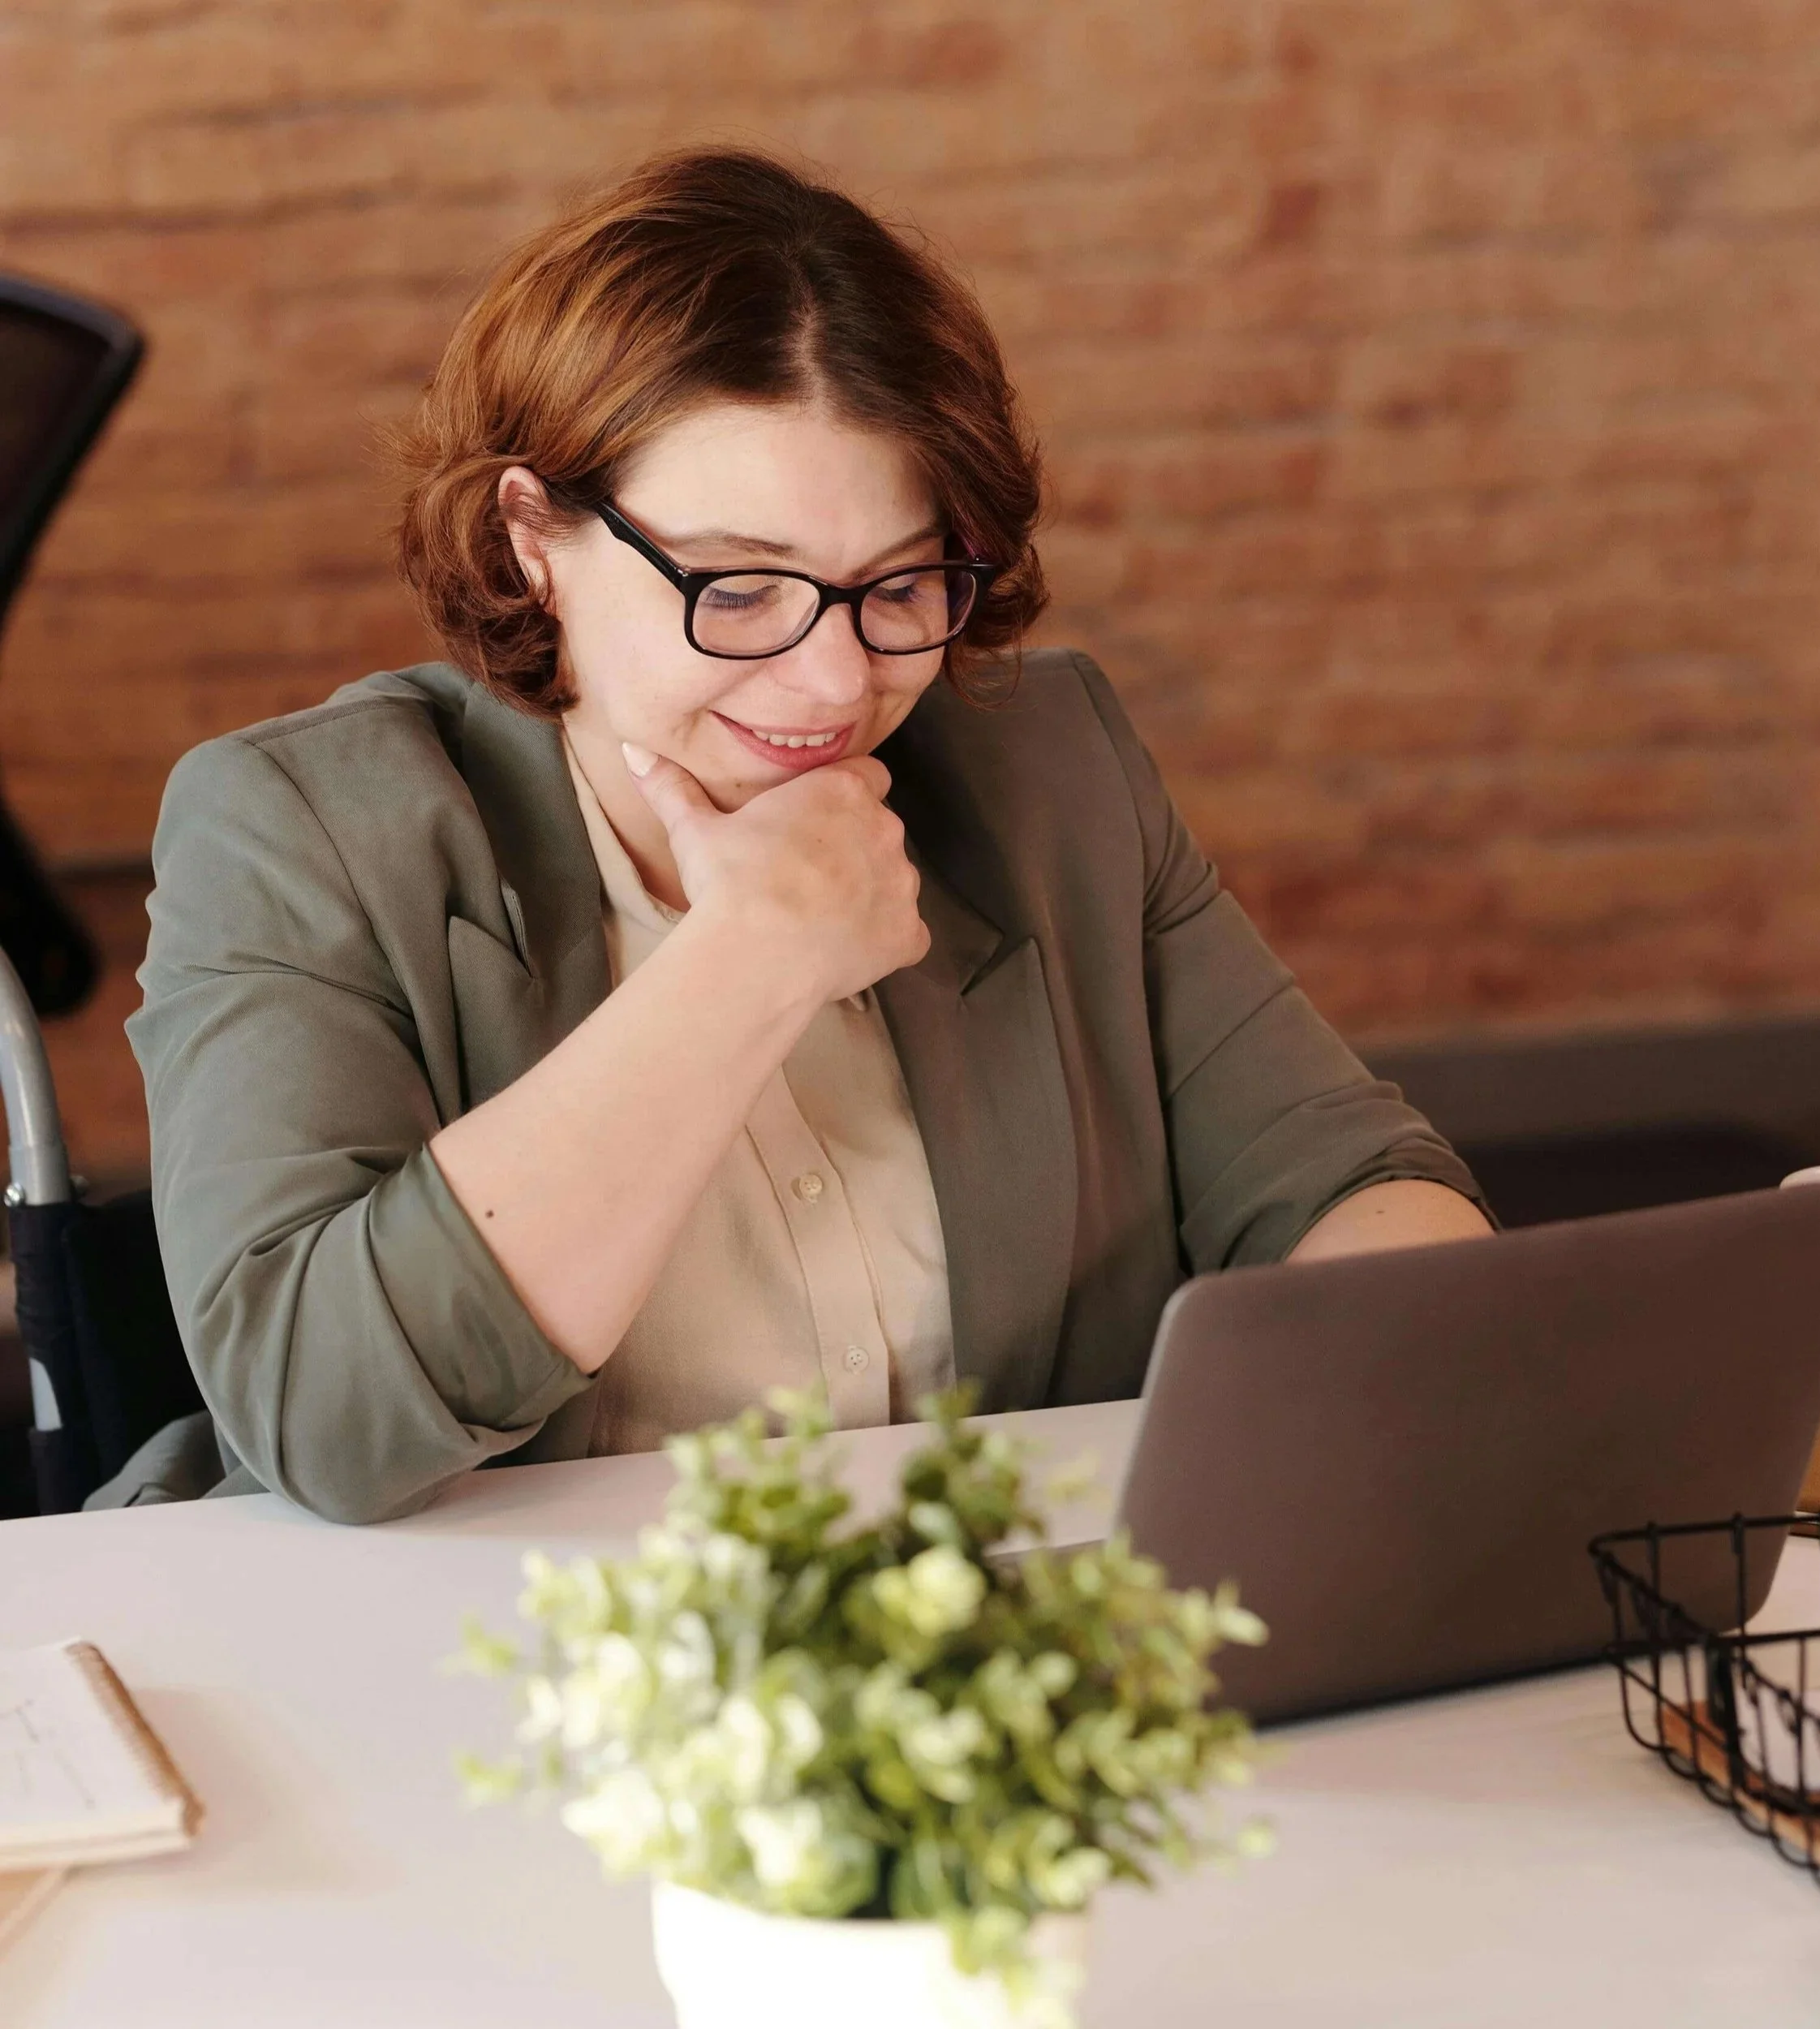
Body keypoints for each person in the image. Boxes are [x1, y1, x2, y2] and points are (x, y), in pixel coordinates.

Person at [116, 149, 1489, 1524]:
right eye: (740, 586)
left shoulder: (1051, 768)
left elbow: (1349, 1183)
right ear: (532, 534)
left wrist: (1446, 1375)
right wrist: (749, 964)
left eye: (899, 583)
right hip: (502, 1672)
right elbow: (319, 1410)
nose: (837, 683)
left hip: (998, 1655)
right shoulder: (298, 832)